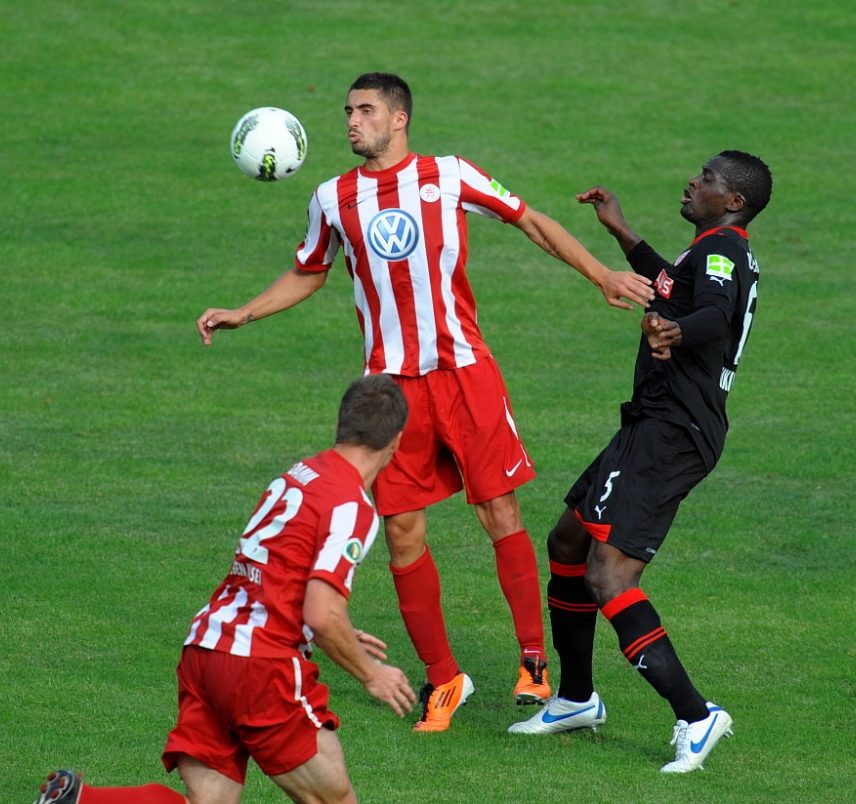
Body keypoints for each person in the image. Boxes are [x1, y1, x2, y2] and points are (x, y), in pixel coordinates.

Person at [196, 72, 654, 732]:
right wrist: (246, 312)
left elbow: (531, 221)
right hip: (390, 391)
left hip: (465, 375)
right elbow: (309, 270)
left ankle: (533, 661)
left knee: (500, 509)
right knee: (403, 532)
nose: (351, 122)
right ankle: (445, 679)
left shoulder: (450, 175)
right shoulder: (333, 198)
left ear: (399, 119)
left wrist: (601, 274)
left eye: (365, 111)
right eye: (348, 111)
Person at [508, 151, 773, 774]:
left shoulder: (721, 254)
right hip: (651, 422)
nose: (693, 181)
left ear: (733, 201)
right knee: (569, 541)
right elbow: (673, 286)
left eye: (707, 178)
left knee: (609, 576)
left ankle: (697, 715)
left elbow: (713, 313)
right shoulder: (712, 250)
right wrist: (622, 231)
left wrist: (677, 334)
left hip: (675, 431)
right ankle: (576, 698)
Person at [33, 374, 416, 804]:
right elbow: (322, 614)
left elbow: (278, 571)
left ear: (342, 424)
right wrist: (371, 672)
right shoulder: (351, 505)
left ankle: (82, 801)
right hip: (259, 668)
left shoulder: (298, 474)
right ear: (396, 442)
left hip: (207, 649)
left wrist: (320, 628)